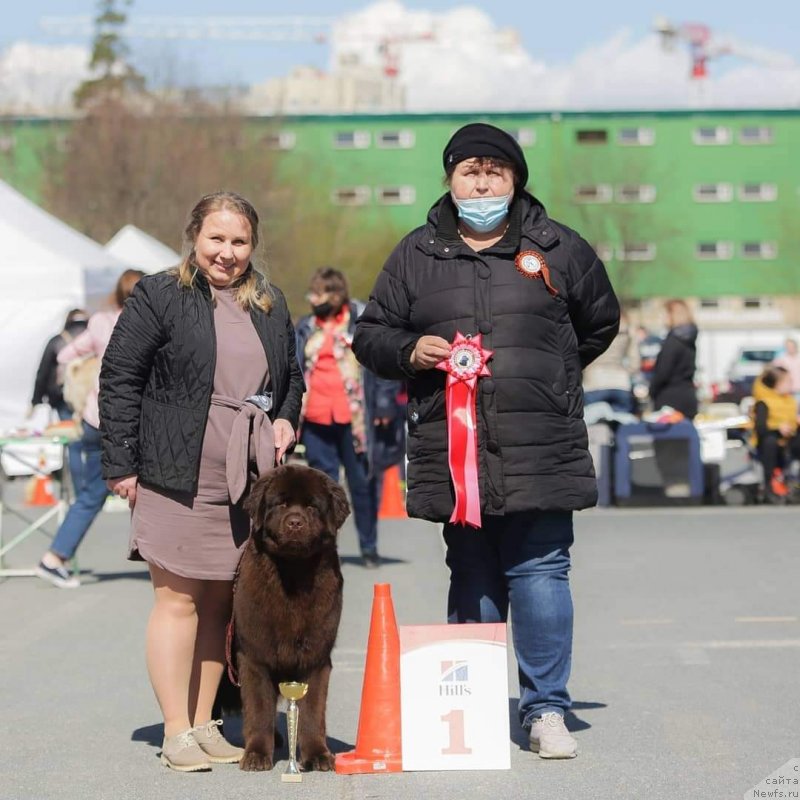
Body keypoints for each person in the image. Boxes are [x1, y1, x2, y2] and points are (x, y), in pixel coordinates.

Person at [352, 122, 619, 759]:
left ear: (516, 180)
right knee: (471, 571)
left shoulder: (559, 248)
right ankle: (471, 709)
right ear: (450, 180)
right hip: (455, 447)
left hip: (541, 439)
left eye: (494, 172)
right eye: (469, 171)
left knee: (541, 571)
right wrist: (410, 350)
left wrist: (550, 374)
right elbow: (371, 335)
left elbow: (600, 321)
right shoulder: (415, 254)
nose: (481, 183)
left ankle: (546, 708)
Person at [99, 192, 304, 772]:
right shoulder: (160, 294)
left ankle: (203, 722)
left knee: (219, 604)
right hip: (173, 469)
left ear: (253, 245)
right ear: (194, 236)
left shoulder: (270, 302)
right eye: (216, 238)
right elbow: (120, 377)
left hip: (243, 480)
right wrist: (121, 463)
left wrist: (286, 417)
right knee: (177, 600)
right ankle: (175, 731)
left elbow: (291, 378)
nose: (227, 252)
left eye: (239, 241)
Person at [35, 272, 144, 589]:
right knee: (142, 492)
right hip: (129, 420)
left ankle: (56, 556)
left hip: (95, 416)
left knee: (93, 493)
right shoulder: (145, 323)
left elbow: (64, 354)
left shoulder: (99, 322)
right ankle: (54, 557)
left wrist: (91, 364)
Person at [295, 267, 405, 568]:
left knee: (361, 484)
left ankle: (369, 547)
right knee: (321, 489)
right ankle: (325, 549)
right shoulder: (306, 327)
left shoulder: (361, 322)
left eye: (319, 293)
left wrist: (384, 405)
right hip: (316, 418)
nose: (313, 299)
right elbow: (295, 369)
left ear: (335, 294)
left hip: (355, 420)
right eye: (312, 294)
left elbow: (381, 364)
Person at [30, 308, 89, 491]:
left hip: (64, 398)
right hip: (90, 398)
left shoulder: (57, 341)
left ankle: (80, 492)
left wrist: (36, 400)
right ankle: (97, 490)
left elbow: (43, 372)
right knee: (95, 446)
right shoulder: (94, 338)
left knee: (74, 445)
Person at [751, 365, 800, 503]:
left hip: (789, 439)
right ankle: (768, 487)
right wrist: (778, 428)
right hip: (769, 440)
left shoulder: (790, 401)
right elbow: (760, 428)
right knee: (770, 442)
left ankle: (795, 485)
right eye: (788, 381)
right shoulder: (764, 402)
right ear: (777, 384)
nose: (791, 384)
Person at [648, 299, 698, 419]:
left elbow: (663, 372)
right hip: (688, 397)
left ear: (672, 315)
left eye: (664, 315)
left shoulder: (673, 341)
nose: (662, 319)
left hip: (669, 400)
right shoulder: (689, 339)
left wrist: (651, 391)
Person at [582, 309, 638, 414]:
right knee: (622, 422)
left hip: (594, 382)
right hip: (621, 383)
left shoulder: (590, 326)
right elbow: (635, 362)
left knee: (593, 422)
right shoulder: (627, 329)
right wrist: (626, 373)